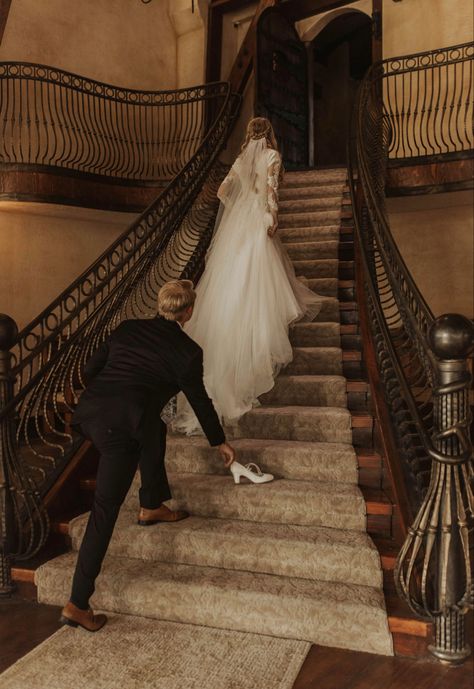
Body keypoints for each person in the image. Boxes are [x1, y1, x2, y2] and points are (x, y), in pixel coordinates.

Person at [60, 280, 235, 632]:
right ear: (188, 312)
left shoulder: (127, 328)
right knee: (104, 510)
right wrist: (219, 442)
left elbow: (91, 370)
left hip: (92, 412)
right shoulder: (188, 352)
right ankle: (78, 603)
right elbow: (200, 400)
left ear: (160, 305)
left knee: (154, 427)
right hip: (120, 429)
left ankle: (152, 503)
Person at [174, 116, 323, 437]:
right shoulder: (271, 156)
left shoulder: (242, 158)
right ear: (269, 134)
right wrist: (271, 214)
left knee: (234, 279)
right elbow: (272, 189)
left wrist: (236, 205)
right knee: (260, 274)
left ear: (248, 135)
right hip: (256, 218)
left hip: (238, 223)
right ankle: (258, 336)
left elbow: (222, 191)